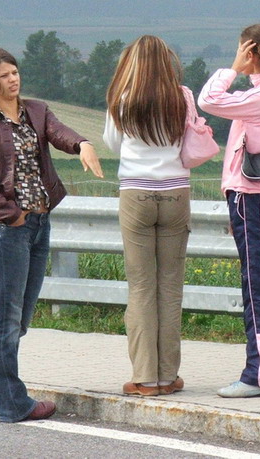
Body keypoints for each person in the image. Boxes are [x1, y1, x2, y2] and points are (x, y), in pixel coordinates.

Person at [0, 47, 103, 422]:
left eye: (15, 72)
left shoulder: (36, 111)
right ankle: (13, 403)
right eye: (4, 75)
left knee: (17, 320)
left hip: (40, 225)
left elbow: (59, 133)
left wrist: (83, 144)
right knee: (6, 321)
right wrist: (13, 216)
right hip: (8, 231)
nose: (13, 79)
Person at [198, 24, 260, 398]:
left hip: (253, 199)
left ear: (251, 53)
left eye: (241, 50)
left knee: (257, 287)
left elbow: (208, 100)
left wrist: (232, 68)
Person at [103, 35, 195, 397]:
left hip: (136, 193)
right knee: (170, 287)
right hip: (176, 192)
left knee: (141, 286)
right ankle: (169, 376)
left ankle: (145, 378)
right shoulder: (181, 96)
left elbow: (112, 143)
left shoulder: (123, 98)